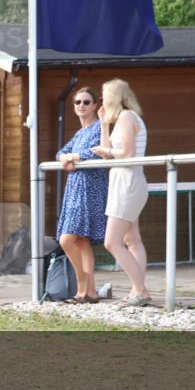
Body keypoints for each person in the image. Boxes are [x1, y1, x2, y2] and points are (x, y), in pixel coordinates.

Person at [92, 79, 150, 306]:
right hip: (125, 182)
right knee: (132, 240)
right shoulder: (122, 120)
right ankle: (138, 290)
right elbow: (107, 155)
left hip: (128, 183)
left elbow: (127, 153)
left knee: (112, 241)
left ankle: (140, 289)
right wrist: (104, 124)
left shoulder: (127, 117)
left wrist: (105, 149)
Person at [56, 86, 109, 303]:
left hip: (91, 189)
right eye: (77, 102)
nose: (81, 106)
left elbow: (103, 152)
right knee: (80, 242)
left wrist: (76, 157)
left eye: (86, 102)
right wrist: (64, 159)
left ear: (95, 105)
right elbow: (61, 152)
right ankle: (91, 292)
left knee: (66, 240)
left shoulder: (99, 128)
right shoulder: (79, 133)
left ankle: (81, 286)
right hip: (75, 188)